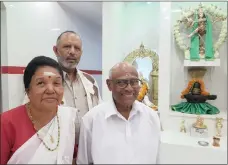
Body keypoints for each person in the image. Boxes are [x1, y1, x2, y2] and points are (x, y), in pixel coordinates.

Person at [77, 62, 161, 164]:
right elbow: (84, 161)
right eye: (122, 82)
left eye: (134, 82)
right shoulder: (92, 120)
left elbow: (157, 158)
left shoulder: (152, 116)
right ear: (109, 85)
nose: (129, 88)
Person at [1, 56, 80, 164]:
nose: (51, 90)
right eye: (41, 83)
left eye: (56, 83)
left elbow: (72, 158)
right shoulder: (6, 122)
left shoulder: (67, 118)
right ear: (28, 91)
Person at [23, 30, 102, 119]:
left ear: (81, 53)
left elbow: (99, 112)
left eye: (77, 48)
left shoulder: (90, 81)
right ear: (56, 50)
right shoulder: (41, 81)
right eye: (67, 47)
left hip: (88, 133)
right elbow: (28, 114)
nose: (72, 52)